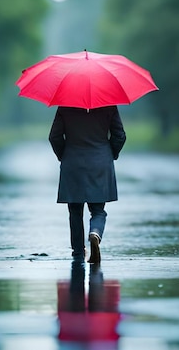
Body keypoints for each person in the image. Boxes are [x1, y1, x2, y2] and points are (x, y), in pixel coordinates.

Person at [49, 106, 126, 263]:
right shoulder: (108, 105)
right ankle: (95, 232)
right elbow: (120, 136)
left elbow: (54, 137)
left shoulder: (65, 106)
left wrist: (63, 155)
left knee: (75, 211)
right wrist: (110, 153)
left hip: (73, 162)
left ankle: (78, 252)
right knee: (98, 210)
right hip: (100, 162)